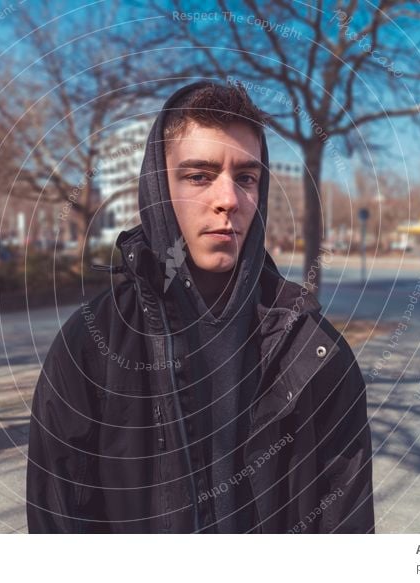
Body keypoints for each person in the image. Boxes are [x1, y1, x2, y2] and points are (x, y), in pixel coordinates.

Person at [26, 80, 375, 533]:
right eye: (198, 176)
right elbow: (59, 526)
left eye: (246, 177)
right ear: (158, 187)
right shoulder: (90, 346)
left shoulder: (314, 349)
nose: (227, 199)